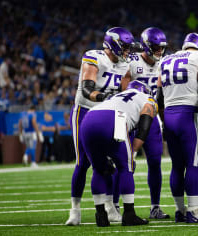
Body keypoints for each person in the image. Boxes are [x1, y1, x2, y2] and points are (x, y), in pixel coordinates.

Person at [65, 27, 135, 226]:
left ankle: (111, 207)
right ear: (112, 44)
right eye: (125, 46)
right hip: (86, 112)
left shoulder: (125, 63)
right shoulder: (94, 57)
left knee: (119, 159)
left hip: (113, 113)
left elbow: (125, 90)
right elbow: (87, 89)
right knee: (83, 162)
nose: (128, 51)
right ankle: (75, 209)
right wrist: (103, 97)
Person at [158, 32, 198, 223]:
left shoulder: (165, 59)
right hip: (189, 113)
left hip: (169, 114)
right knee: (194, 164)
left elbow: (159, 96)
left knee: (177, 166)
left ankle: (180, 210)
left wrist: (163, 121)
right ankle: (193, 210)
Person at [81, 80, 155, 227]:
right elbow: (144, 128)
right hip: (115, 118)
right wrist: (132, 151)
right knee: (126, 167)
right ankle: (129, 214)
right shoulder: (147, 98)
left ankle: (101, 215)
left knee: (98, 168)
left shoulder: (116, 96)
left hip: (89, 118)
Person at [120, 27, 169, 219]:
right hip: (132, 117)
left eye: (161, 48)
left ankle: (155, 206)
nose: (159, 51)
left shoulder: (165, 63)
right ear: (146, 46)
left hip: (153, 117)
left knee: (155, 162)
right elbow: (123, 89)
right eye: (156, 47)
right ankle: (117, 206)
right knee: (124, 161)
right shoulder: (132, 61)